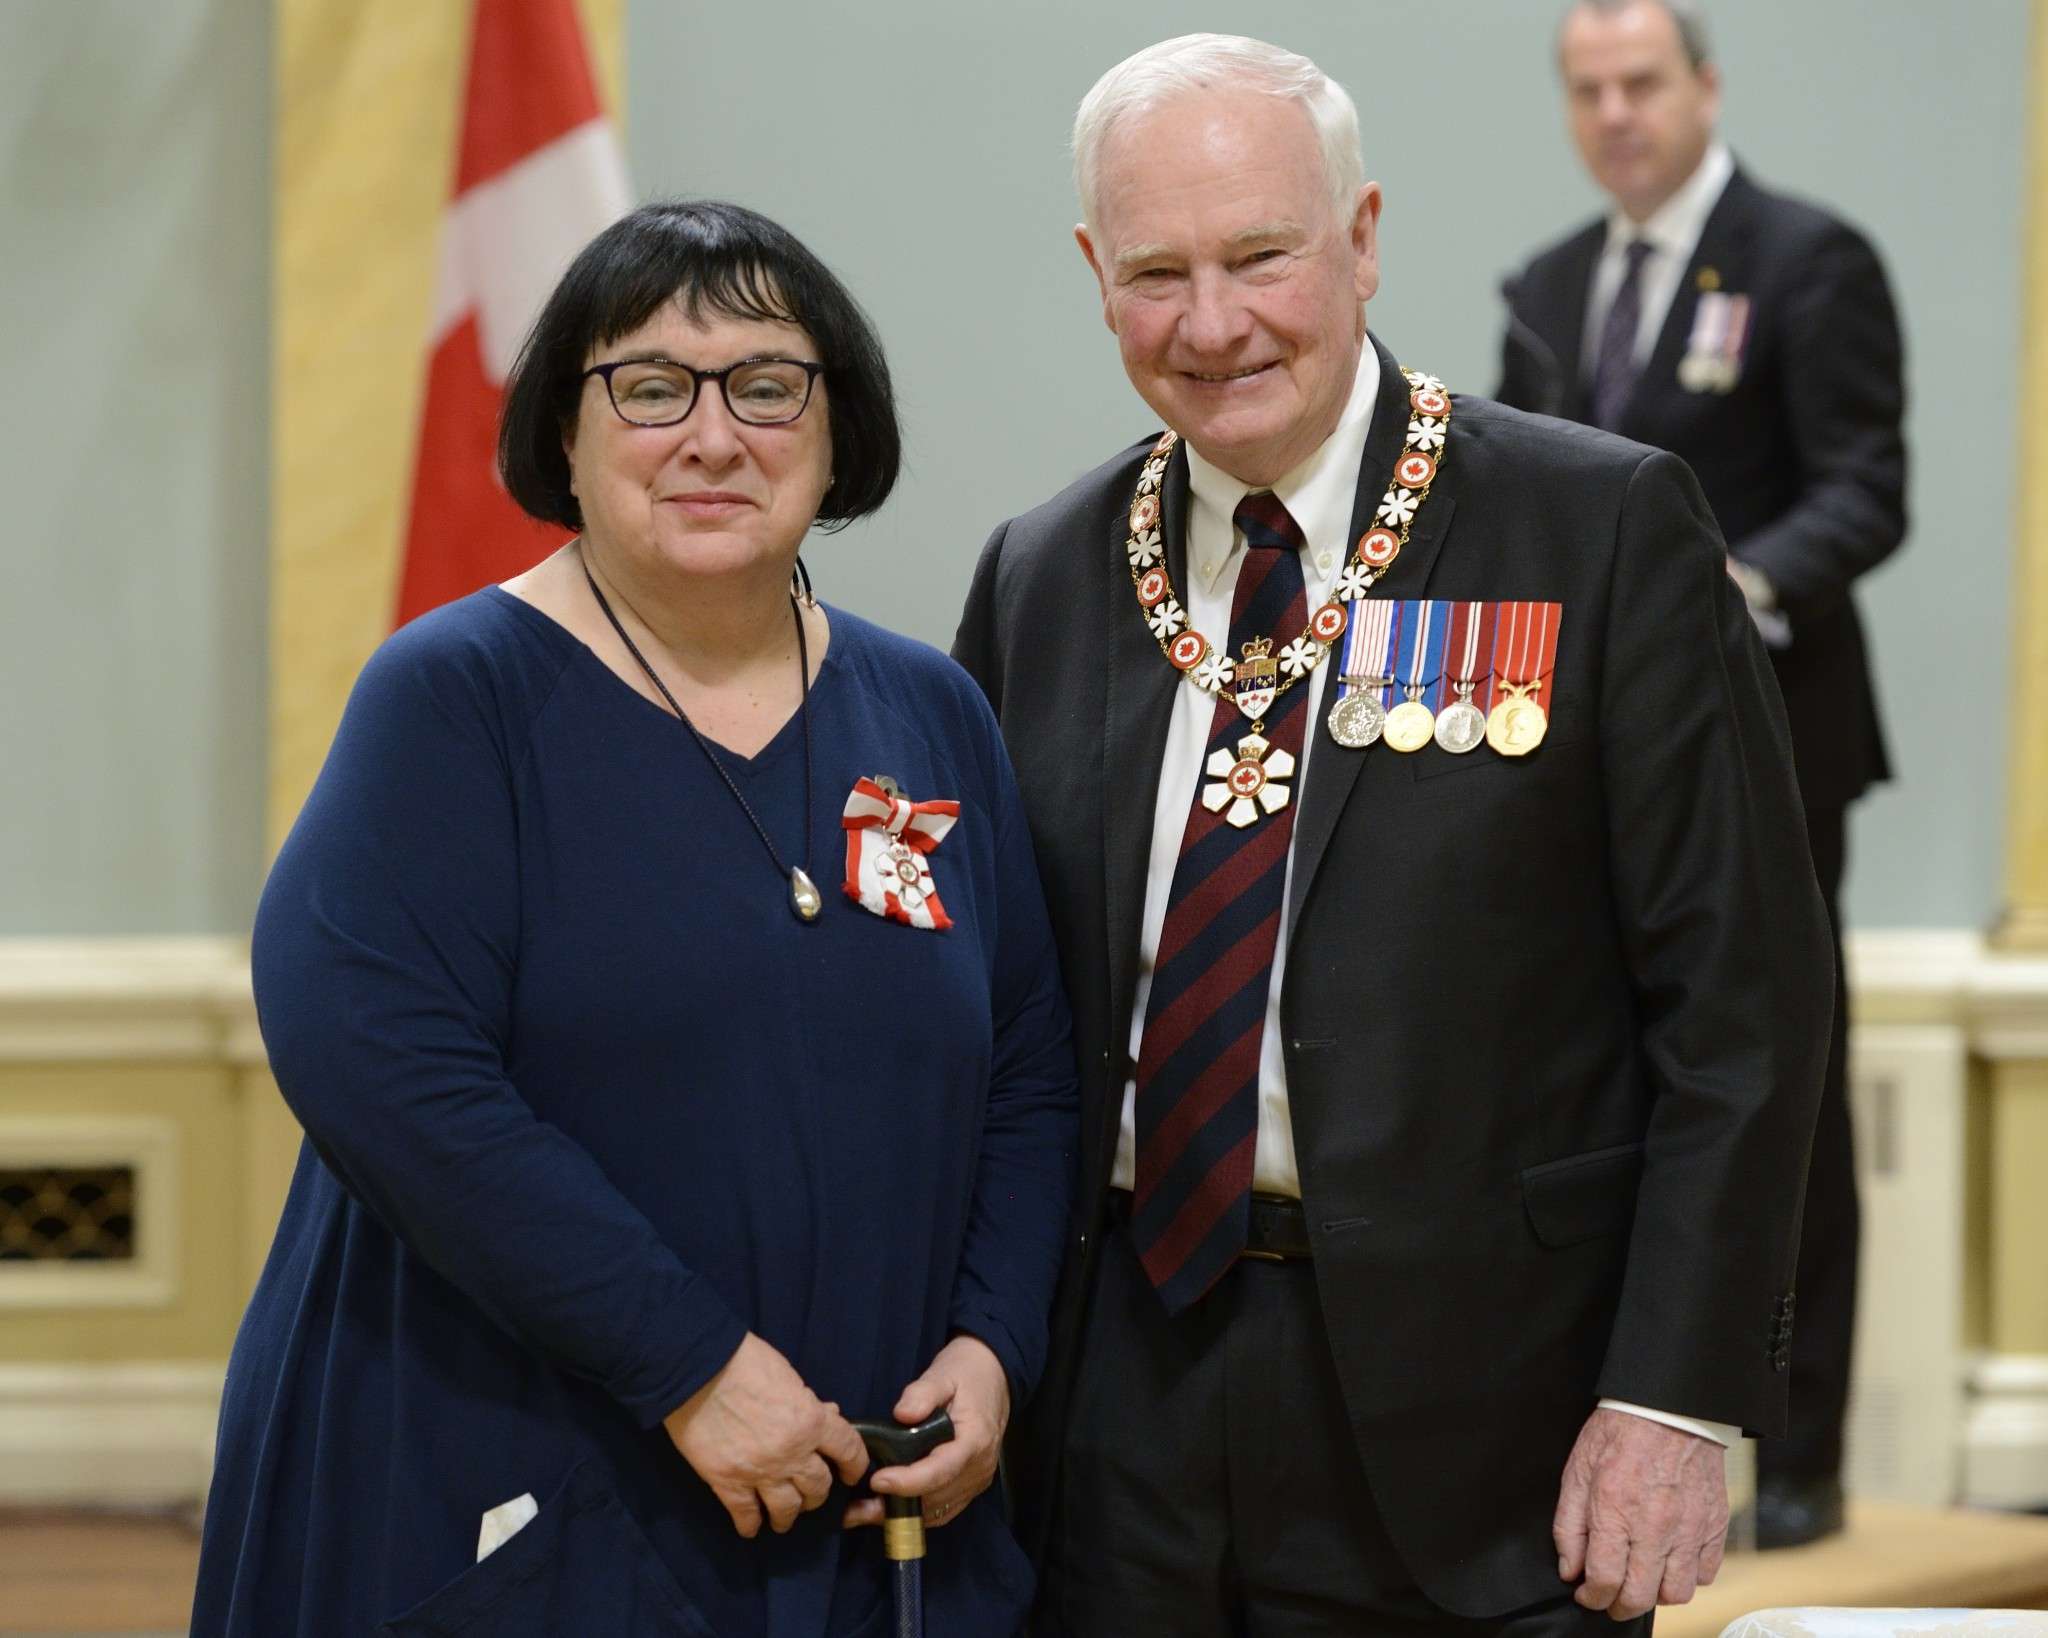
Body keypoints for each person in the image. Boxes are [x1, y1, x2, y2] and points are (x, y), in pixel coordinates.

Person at [952, 32, 1832, 1634]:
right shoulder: (1042, 576)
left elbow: (1743, 1007)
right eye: (1156, 271)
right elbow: (994, 1022)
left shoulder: (1598, 527)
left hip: (1497, 1424)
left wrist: (1675, 1397)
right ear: (1095, 272)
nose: (1212, 324)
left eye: (1262, 256)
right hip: (1117, 1410)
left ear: (1361, 237)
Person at [193, 200, 1077, 1637]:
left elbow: (1034, 1065)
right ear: (566, 433)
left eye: (767, 385)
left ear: (836, 425)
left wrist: (995, 1347)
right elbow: (378, 1056)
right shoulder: (456, 697)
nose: (713, 436)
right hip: (515, 1488)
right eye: (652, 387)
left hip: (870, 1502)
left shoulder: (930, 710)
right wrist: (687, 1363)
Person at [1497, 0, 1908, 1549]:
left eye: (1641, 82)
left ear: (1704, 87)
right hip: (1577, 767)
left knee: (1773, 1090)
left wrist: (1727, 589)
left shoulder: (1807, 260)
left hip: (1774, 745)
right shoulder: (1545, 289)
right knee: (1605, 1094)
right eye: (1587, 89)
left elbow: (1868, 481)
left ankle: (1793, 1442)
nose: (1616, 112)